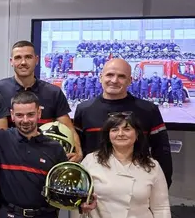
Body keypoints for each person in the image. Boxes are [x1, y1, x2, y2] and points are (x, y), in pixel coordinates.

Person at [74, 57, 173, 187]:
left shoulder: (148, 110)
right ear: (100, 77)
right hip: (94, 187)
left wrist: (162, 185)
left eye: (121, 76)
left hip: (137, 188)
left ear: (130, 80)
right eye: (109, 75)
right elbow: (77, 151)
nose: (114, 80)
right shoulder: (84, 109)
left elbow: (162, 150)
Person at [0, 40, 80, 160]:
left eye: (28, 57)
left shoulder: (53, 92)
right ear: (11, 62)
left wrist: (79, 153)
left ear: (36, 60)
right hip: (9, 160)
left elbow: (68, 128)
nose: (23, 62)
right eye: (18, 58)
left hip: (44, 158)